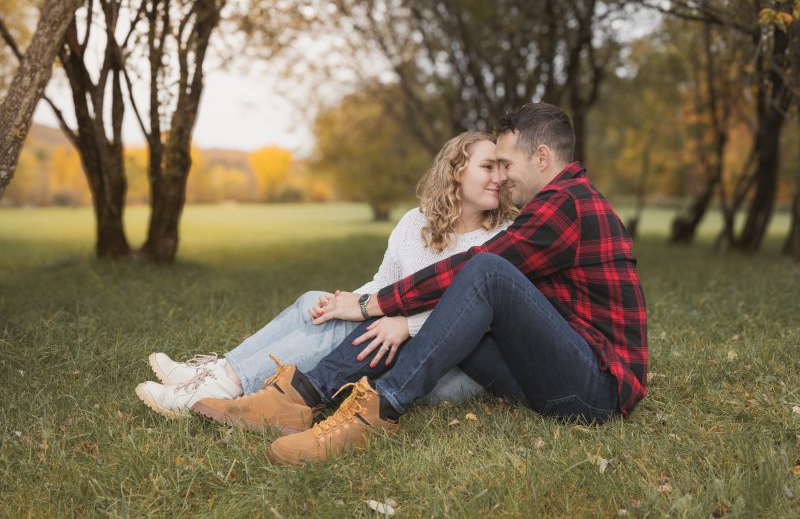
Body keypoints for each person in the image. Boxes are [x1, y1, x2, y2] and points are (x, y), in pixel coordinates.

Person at [196, 102, 648, 466]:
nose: (503, 177)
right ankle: (299, 398)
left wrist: (378, 305)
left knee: (484, 271)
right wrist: (387, 308)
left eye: (507, 164)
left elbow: (476, 268)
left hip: (596, 390)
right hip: (551, 372)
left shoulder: (568, 204)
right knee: (460, 300)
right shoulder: (554, 204)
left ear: (542, 157)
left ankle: (377, 411)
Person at [135, 131, 518, 421]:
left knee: (347, 326)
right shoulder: (415, 223)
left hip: (450, 365)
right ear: (455, 171)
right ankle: (216, 372)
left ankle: (222, 384)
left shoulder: (503, 236)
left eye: (503, 168)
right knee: (316, 304)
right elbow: (384, 282)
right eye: (488, 167)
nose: (499, 178)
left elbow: (477, 314)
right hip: (398, 338)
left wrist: (407, 324)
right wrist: (344, 303)